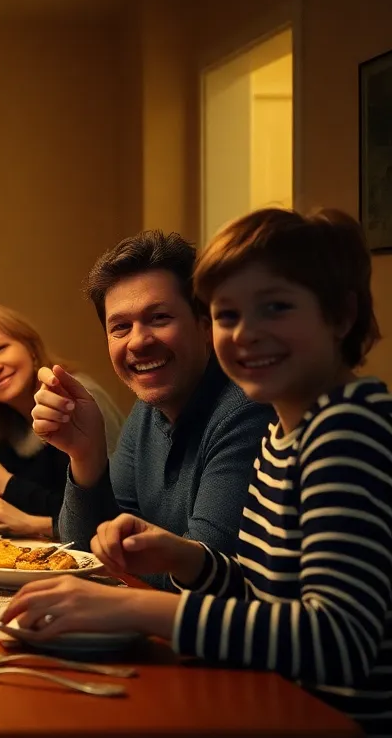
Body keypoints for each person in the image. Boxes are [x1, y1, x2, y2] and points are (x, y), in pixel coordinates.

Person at [3, 208, 390, 738]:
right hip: (269, 712)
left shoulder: (345, 430)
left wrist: (136, 610)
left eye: (275, 308)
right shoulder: (286, 429)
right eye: (227, 314)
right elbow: (264, 597)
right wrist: (189, 559)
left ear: (341, 315)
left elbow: (337, 642)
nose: (246, 334)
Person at [32, 230, 272, 588]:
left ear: (205, 325)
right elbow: (85, 552)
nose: (139, 341)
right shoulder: (148, 411)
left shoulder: (247, 409)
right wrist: (85, 455)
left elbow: (202, 576)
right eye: (120, 327)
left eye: (159, 317)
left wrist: (126, 561)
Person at [0, 304, 123, 537]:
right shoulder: (13, 419)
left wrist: (8, 486)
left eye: (0, 348)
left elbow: (107, 512)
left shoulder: (73, 398)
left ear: (30, 347)